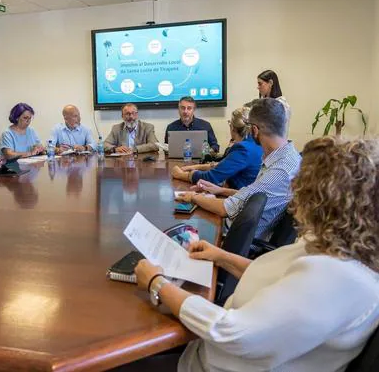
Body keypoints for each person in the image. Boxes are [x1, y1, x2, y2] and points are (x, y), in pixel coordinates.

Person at [132, 136, 379, 372]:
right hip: (209, 351)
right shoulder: (336, 245)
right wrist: (221, 256)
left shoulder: (340, 278)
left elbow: (229, 332)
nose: (294, 195)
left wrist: (157, 284)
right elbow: (281, 279)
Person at [176, 98, 300, 240]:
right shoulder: (290, 157)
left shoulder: (279, 172)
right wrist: (221, 190)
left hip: (239, 239)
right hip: (248, 229)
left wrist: (193, 197)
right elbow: (255, 196)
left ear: (254, 130)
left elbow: (225, 208)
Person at [171, 107, 262, 189]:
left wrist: (181, 175)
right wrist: (195, 167)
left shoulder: (243, 149)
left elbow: (210, 177)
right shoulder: (255, 143)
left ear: (232, 127)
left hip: (237, 197)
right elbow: (223, 166)